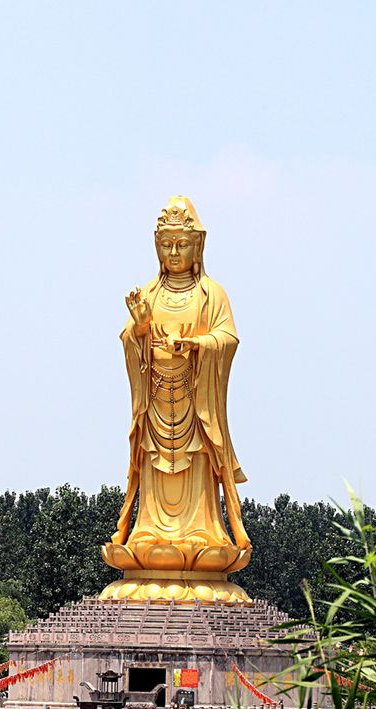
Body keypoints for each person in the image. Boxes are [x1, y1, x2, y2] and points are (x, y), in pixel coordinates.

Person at [101, 197, 252, 602]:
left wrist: (197, 344)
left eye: (181, 244)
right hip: (156, 408)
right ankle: (148, 533)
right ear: (157, 245)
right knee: (152, 481)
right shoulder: (148, 293)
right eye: (166, 244)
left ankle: (202, 533)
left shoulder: (211, 295)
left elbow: (228, 340)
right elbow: (129, 343)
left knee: (198, 475)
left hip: (195, 408)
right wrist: (141, 329)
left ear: (197, 245)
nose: (173, 253)